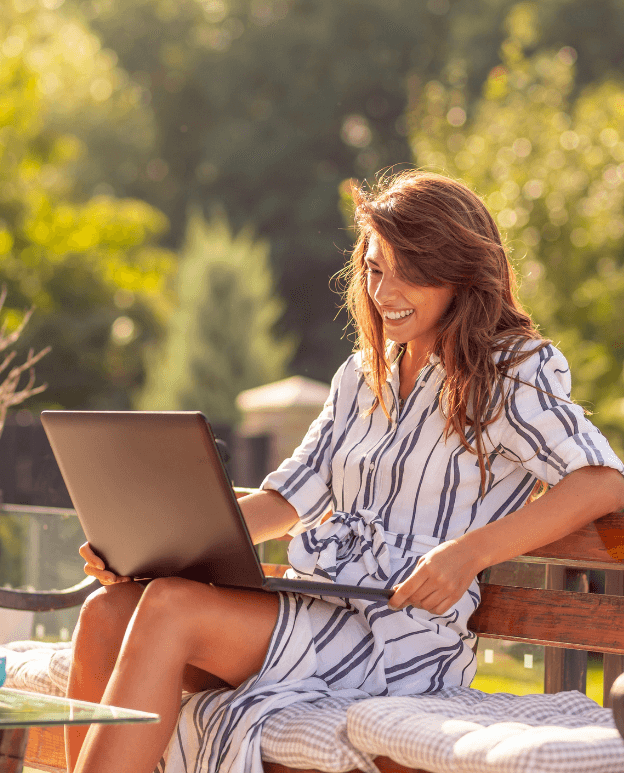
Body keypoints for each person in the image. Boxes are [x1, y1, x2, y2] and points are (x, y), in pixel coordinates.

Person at [65, 170, 624, 773]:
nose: (385, 291)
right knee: (108, 612)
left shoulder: (509, 370)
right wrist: (145, 549)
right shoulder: (361, 377)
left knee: (171, 608)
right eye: (376, 268)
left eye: (409, 270)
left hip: (405, 639)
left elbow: (601, 479)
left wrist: (468, 554)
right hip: (323, 606)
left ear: (459, 270)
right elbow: (286, 499)